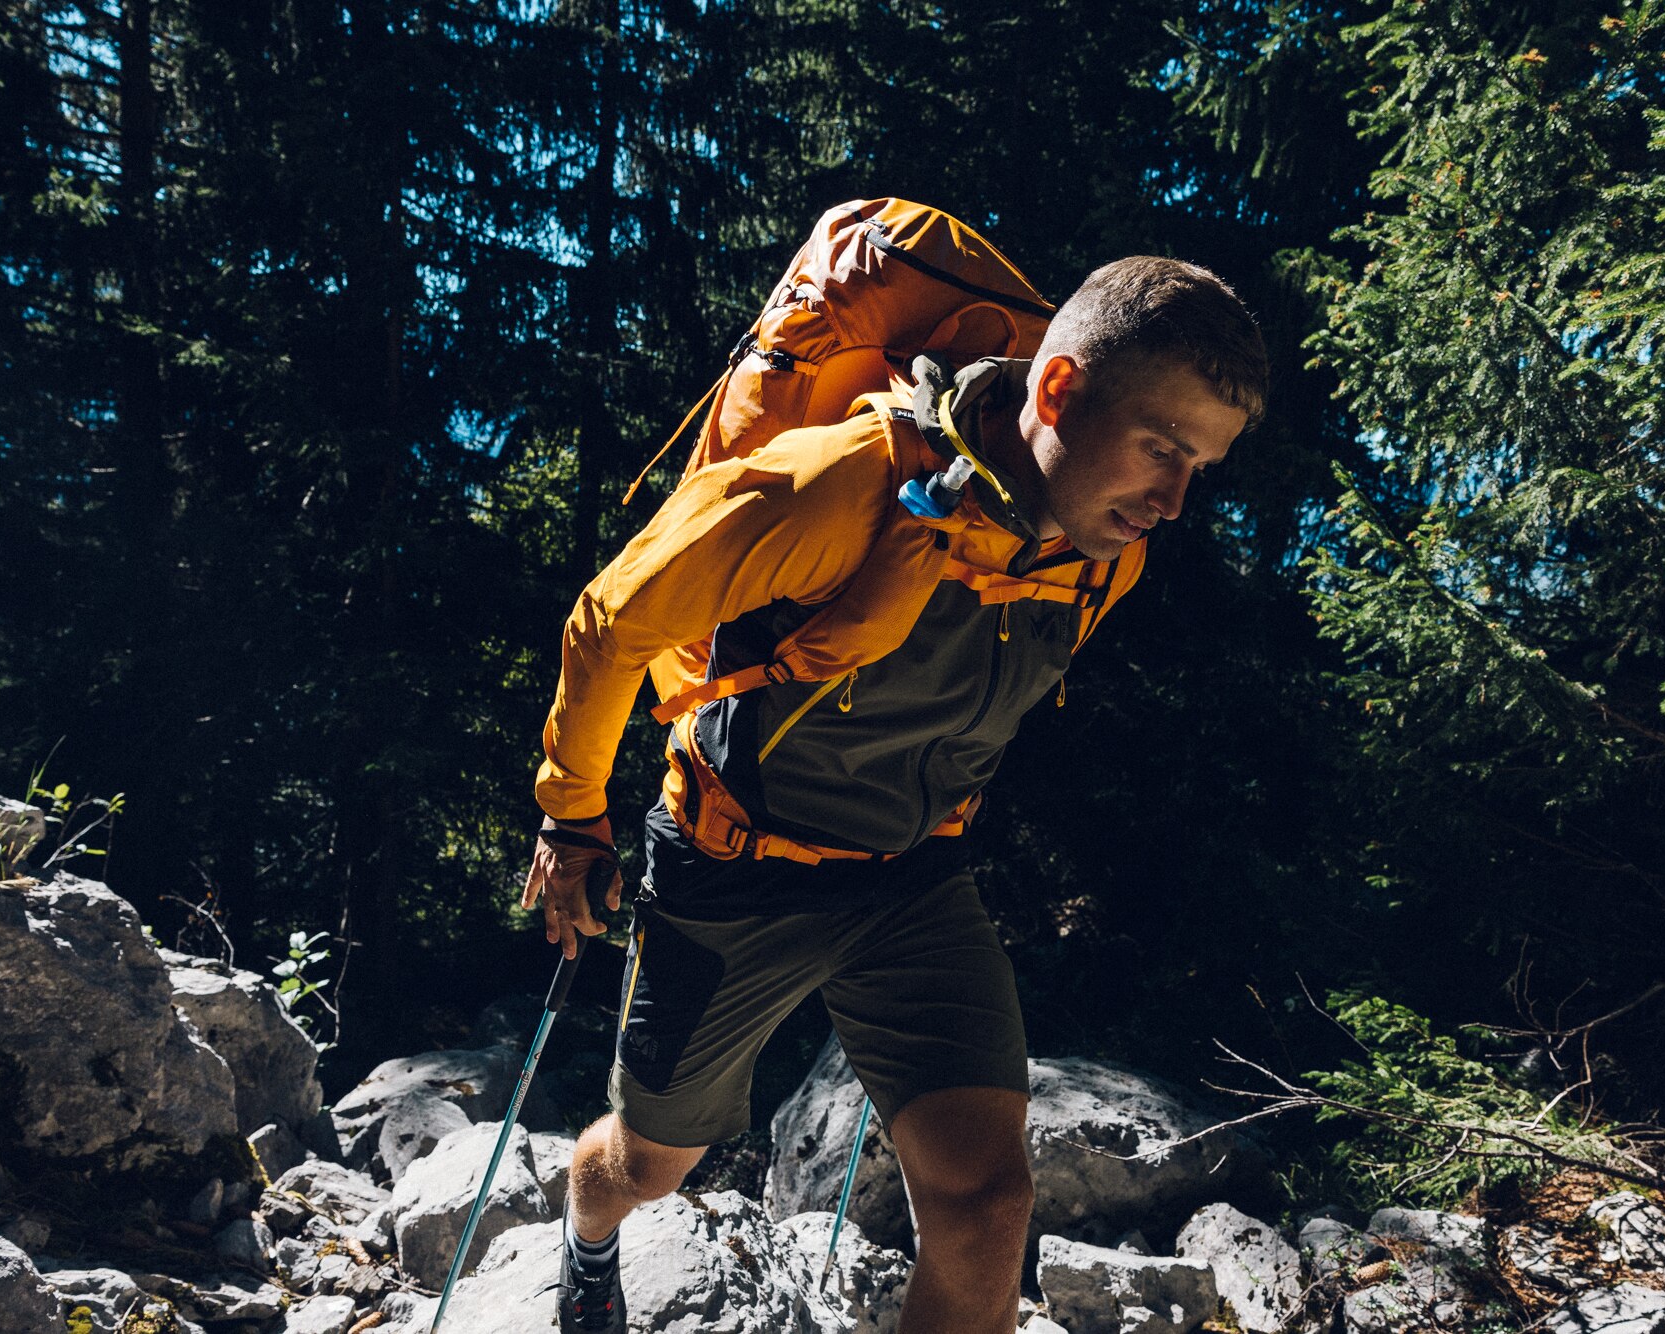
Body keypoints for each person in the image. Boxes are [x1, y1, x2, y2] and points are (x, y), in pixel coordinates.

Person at [525, 254, 1269, 1333]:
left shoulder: (1102, 555)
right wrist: (572, 814)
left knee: (985, 1198)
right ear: (1054, 391)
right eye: (1161, 448)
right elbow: (613, 618)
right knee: (647, 1160)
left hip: (913, 883)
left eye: (1198, 465)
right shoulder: (842, 482)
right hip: (735, 870)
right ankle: (589, 1242)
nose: (1171, 500)